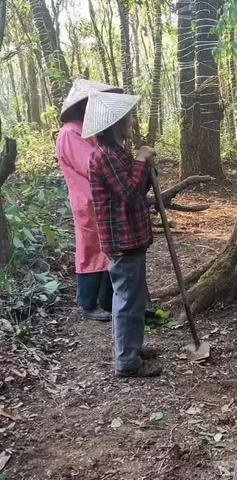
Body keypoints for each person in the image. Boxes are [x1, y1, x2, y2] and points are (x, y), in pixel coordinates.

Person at [82, 91, 160, 378]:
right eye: (127, 117)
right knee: (127, 299)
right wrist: (140, 159)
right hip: (122, 242)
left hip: (132, 238)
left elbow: (138, 190)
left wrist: (145, 166)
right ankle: (127, 361)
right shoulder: (104, 156)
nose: (131, 121)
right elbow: (128, 193)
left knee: (134, 297)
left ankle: (133, 348)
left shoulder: (117, 153)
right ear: (116, 123)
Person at [56, 78, 122, 321]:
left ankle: (105, 299)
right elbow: (91, 164)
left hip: (100, 199)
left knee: (106, 247)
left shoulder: (86, 130)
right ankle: (87, 302)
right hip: (86, 200)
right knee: (90, 248)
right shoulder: (69, 133)